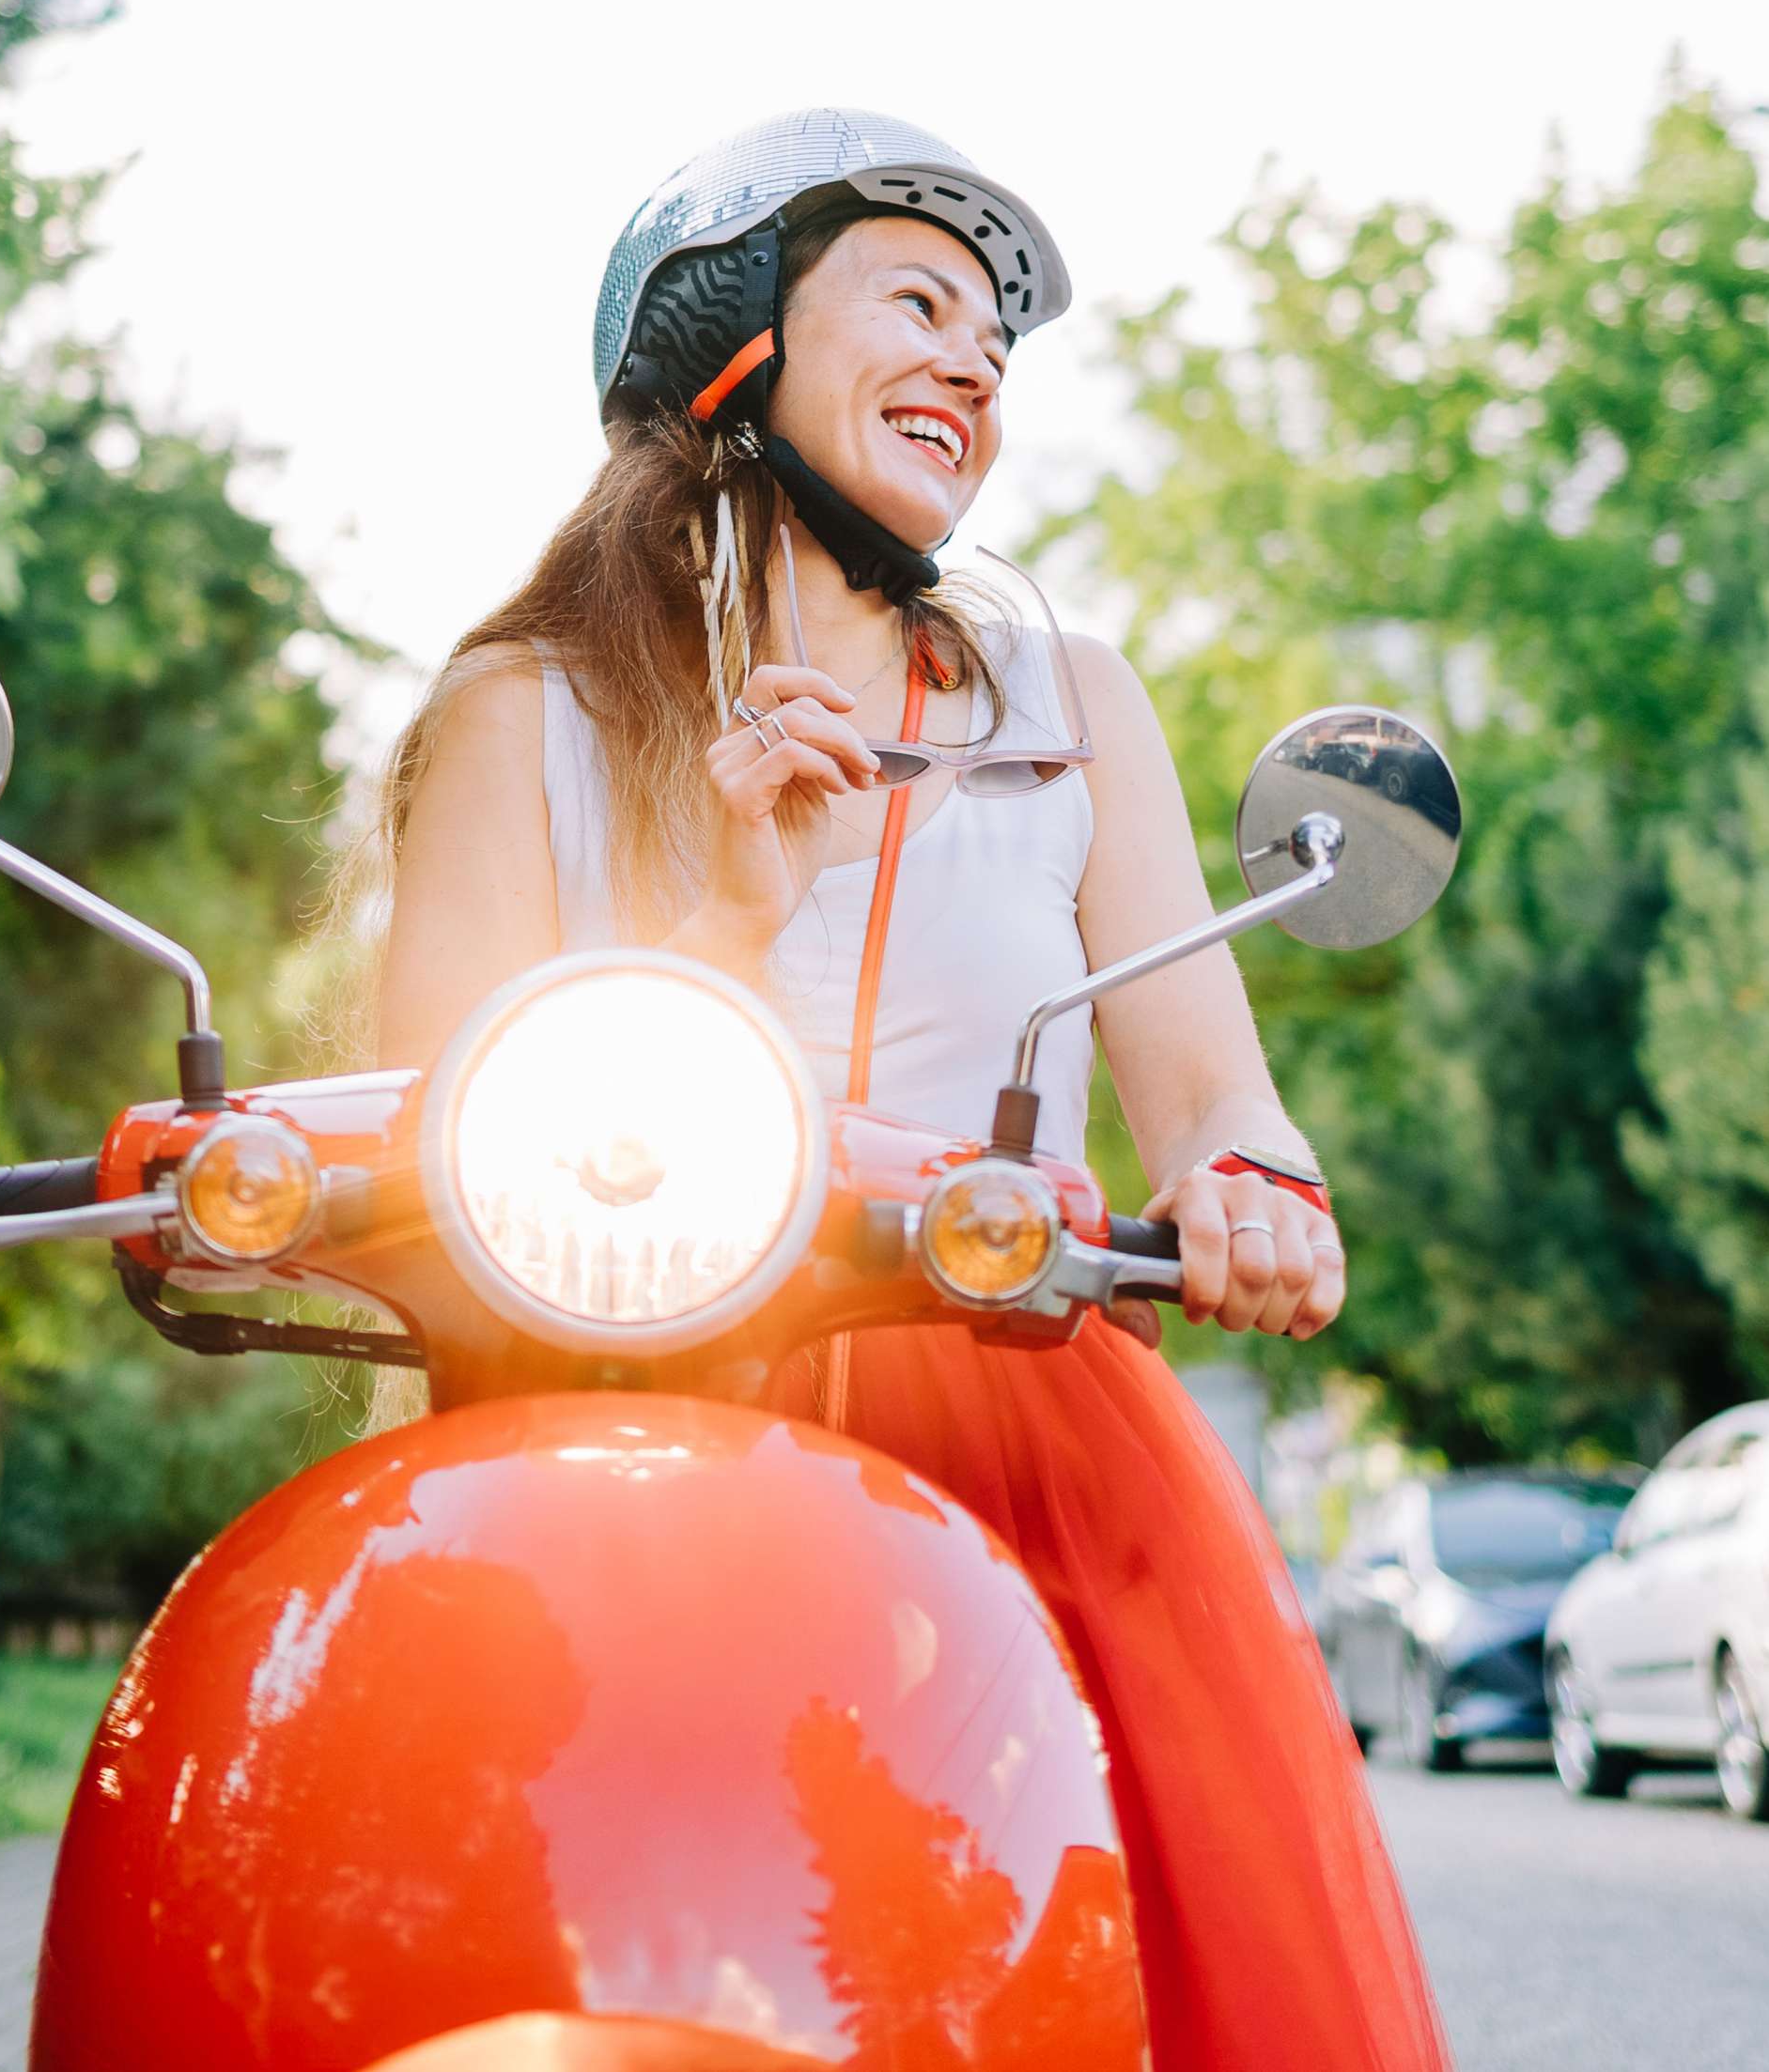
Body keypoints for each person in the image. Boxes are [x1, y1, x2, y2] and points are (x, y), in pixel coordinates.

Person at [374, 110, 1449, 2070]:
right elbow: (430, 1152)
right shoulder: (521, 717)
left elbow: (1215, 1089)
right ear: (732, 335)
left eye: (997, 342)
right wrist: (721, 917)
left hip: (1023, 1424)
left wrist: (1256, 1188)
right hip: (620, 1429)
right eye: (920, 302)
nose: (977, 363)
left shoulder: (1069, 704)